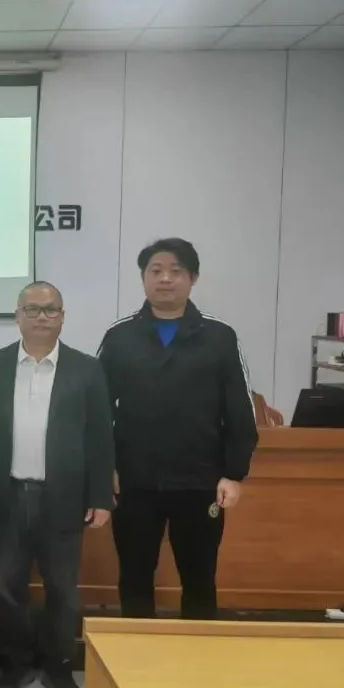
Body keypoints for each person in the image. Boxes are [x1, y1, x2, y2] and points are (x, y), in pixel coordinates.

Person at [97, 237, 258, 620]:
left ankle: (199, 654)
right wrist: (106, 467)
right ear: (143, 278)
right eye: (155, 271)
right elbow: (97, 409)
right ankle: (135, 653)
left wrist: (234, 473)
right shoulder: (120, 336)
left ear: (193, 278)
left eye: (176, 271)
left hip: (200, 480)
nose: (165, 279)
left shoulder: (219, 336)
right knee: (134, 576)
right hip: (134, 481)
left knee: (200, 578)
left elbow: (240, 409)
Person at [0, 282, 114, 688]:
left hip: (63, 497)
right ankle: (14, 665)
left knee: (63, 589)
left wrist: (101, 497)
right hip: (7, 494)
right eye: (32, 309)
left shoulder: (86, 369)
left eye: (50, 309)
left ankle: (60, 668)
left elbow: (100, 437)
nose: (41, 317)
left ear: (62, 317)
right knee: (8, 586)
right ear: (17, 315)